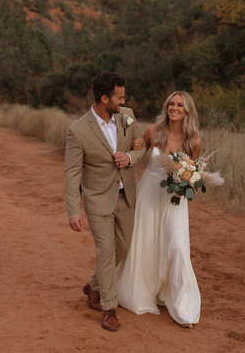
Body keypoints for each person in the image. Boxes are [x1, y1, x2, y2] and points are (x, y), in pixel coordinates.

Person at [64, 71, 145, 332]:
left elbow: (140, 147)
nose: (123, 101)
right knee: (106, 253)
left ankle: (92, 286)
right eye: (119, 97)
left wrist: (130, 158)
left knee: (122, 246)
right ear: (103, 98)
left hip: (126, 196)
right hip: (98, 201)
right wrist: (73, 210)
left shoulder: (127, 116)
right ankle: (109, 308)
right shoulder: (77, 131)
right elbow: (72, 172)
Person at [118, 91, 202, 327]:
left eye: (180, 105)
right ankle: (143, 291)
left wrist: (186, 184)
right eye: (171, 104)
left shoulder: (193, 140)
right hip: (149, 193)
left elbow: (193, 173)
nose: (174, 108)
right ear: (166, 107)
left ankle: (182, 304)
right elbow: (136, 153)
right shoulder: (152, 132)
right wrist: (132, 147)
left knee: (176, 245)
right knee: (146, 241)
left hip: (175, 199)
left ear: (187, 111)